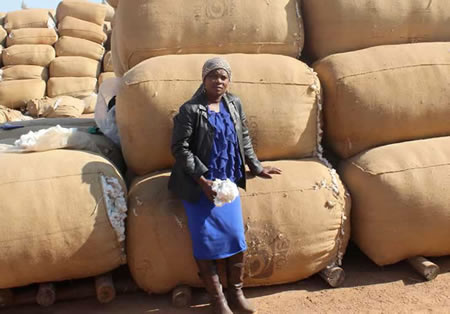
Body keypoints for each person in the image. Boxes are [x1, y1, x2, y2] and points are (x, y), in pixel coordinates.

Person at [169, 57, 281, 314]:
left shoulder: (234, 103)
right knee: (205, 241)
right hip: (199, 186)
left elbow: (243, 136)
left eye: (223, 77)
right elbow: (180, 148)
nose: (218, 81)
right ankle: (217, 300)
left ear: (229, 80)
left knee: (235, 238)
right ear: (204, 79)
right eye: (213, 76)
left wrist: (257, 167)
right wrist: (202, 180)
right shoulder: (190, 110)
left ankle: (236, 293)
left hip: (227, 182)